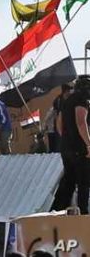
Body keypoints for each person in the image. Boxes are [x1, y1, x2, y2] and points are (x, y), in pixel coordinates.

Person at [52, 75, 90, 214]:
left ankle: (59, 211)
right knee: (83, 183)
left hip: (66, 147)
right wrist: (88, 144)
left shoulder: (67, 101)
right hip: (80, 149)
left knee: (69, 181)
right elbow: (81, 122)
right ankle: (84, 214)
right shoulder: (82, 100)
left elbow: (59, 122)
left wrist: (66, 138)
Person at [45, 84, 73, 153]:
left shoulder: (59, 99)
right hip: (60, 124)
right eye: (68, 91)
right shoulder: (59, 100)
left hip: (62, 124)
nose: (69, 92)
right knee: (60, 144)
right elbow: (55, 112)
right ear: (65, 91)